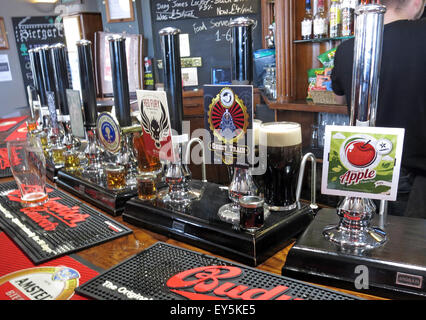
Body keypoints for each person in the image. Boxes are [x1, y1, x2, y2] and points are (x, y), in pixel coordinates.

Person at [331, 0, 426, 218]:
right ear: (417, 1)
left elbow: (338, 99)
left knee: (363, 236)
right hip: (417, 177)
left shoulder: (346, 48)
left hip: (362, 168)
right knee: (407, 249)